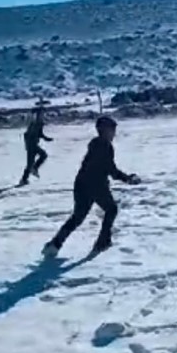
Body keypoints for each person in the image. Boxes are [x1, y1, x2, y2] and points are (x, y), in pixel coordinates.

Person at [42, 116, 140, 256]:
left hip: (82, 184)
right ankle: (102, 242)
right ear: (104, 130)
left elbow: (106, 169)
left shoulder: (95, 144)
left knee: (77, 217)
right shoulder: (104, 146)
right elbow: (111, 170)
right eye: (112, 130)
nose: (114, 133)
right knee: (111, 209)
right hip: (95, 185)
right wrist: (128, 179)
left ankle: (55, 243)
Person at [18, 107, 53, 186]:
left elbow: (40, 134)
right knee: (43, 155)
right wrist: (28, 144)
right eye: (41, 114)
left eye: (43, 113)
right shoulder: (34, 123)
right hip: (31, 145)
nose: (43, 115)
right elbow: (26, 135)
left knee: (30, 163)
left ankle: (24, 179)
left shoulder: (40, 123)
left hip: (34, 144)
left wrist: (47, 139)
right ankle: (33, 170)